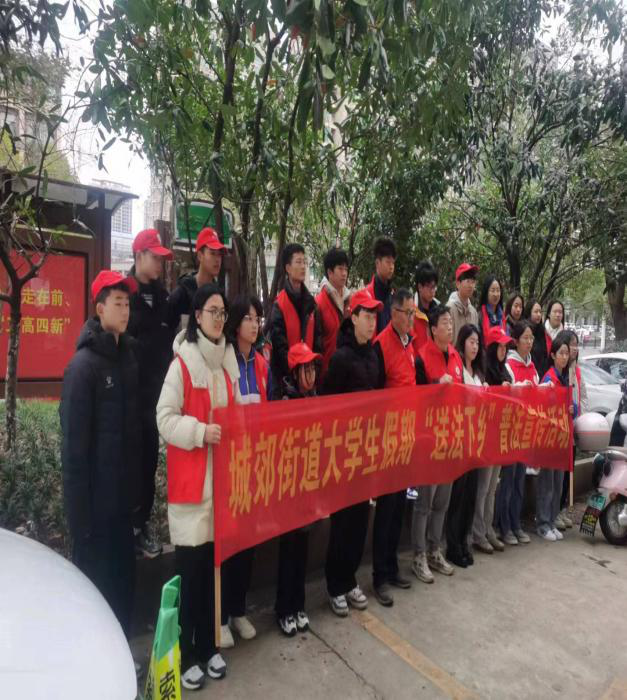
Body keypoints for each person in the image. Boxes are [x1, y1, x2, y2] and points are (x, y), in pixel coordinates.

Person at [156, 283, 238, 691]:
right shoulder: (183, 364)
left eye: (223, 312)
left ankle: (208, 646)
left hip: (221, 487)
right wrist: (200, 432)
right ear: (197, 316)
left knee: (211, 572)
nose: (219, 318)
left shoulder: (227, 363)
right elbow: (164, 418)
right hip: (192, 488)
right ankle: (186, 653)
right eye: (212, 311)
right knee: (190, 575)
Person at [60, 271, 140, 639]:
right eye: (118, 303)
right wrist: (80, 522)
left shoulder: (128, 359)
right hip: (95, 513)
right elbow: (73, 452)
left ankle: (124, 655)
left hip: (122, 507)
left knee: (124, 587)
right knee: (95, 597)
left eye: (128, 303)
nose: (125, 310)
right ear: (100, 308)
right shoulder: (82, 368)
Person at [322, 288, 383, 617]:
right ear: (354, 317)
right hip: (344, 451)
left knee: (361, 519)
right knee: (342, 520)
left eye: (375, 316)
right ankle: (334, 584)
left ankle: (349, 579)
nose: (372, 322)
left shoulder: (373, 355)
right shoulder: (340, 358)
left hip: (367, 448)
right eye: (367, 316)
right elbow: (329, 405)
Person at [219, 295, 271, 649]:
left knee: (248, 541)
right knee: (229, 540)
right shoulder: (225, 362)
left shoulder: (262, 363)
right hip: (229, 463)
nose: (255, 324)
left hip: (255, 462)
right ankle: (221, 616)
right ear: (235, 323)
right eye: (249, 318)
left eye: (258, 318)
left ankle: (238, 609)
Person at [127, 228, 173, 558]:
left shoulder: (163, 297)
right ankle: (127, 530)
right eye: (155, 257)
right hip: (128, 398)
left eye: (161, 258)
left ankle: (140, 526)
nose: (159, 263)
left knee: (147, 465)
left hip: (155, 399)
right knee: (129, 467)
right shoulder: (122, 294)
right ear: (139, 255)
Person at [371, 288, 416, 606]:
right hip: (388, 440)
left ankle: (392, 567)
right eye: (408, 313)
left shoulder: (409, 343)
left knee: (400, 506)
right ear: (394, 313)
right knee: (385, 510)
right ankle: (378, 576)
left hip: (407, 437)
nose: (412, 318)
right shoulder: (381, 345)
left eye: (413, 313)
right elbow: (376, 397)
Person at [411, 305, 461, 584]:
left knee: (443, 500)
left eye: (450, 322)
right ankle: (418, 554)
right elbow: (416, 398)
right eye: (444, 322)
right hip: (429, 440)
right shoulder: (421, 357)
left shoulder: (455, 355)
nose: (450, 327)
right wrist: (436, 385)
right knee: (424, 502)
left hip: (450, 438)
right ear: (433, 329)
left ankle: (434, 549)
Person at [274, 342, 321, 637]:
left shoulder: (316, 398)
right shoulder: (284, 400)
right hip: (289, 485)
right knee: (288, 548)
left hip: (309, 482)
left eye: (313, 367)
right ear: (294, 372)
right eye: (305, 368)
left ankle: (299, 605)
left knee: (303, 547)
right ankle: (284, 609)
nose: (311, 373)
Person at [496, 320, 538, 546]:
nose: (529, 342)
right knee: (508, 480)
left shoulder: (533, 366)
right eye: (525, 338)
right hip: (510, 430)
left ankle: (516, 524)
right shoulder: (510, 365)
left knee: (520, 480)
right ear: (516, 340)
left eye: (531, 338)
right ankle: (504, 526)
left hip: (525, 431)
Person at [446, 324, 484, 568]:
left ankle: (464, 541)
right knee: (458, 497)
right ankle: (453, 545)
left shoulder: (478, 371)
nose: (475, 346)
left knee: (472, 494)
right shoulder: (458, 367)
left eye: (477, 342)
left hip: (476, 439)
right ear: (462, 342)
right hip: (461, 437)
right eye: (471, 341)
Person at [472, 325, 512, 554]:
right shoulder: (485, 371)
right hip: (487, 435)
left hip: (500, 434)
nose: (504, 350)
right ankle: (478, 532)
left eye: (506, 347)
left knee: (492, 487)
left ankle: (488, 528)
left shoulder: (504, 369)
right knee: (483, 487)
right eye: (501, 346)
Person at [266, 243, 322, 399]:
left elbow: (318, 342)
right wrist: (296, 373)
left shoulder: (312, 304)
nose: (303, 266)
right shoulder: (279, 305)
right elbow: (279, 347)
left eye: (304, 262)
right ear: (288, 268)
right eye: (298, 262)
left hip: (309, 381)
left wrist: (312, 371)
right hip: (286, 384)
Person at [536, 331, 574, 541]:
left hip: (561, 437)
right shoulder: (549, 378)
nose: (564, 357)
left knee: (558, 483)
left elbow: (571, 406)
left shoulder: (565, 378)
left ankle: (551, 521)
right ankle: (543, 524)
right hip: (549, 438)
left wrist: (571, 409)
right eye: (561, 353)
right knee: (547, 483)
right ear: (553, 355)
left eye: (567, 353)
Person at [166, 227, 227, 335]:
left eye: (219, 254)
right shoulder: (182, 293)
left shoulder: (219, 295)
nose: (217, 259)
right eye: (212, 253)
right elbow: (167, 330)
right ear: (200, 256)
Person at [557, 330, 589, 528]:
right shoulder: (560, 371)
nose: (575, 348)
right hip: (561, 429)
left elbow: (583, 396)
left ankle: (562, 509)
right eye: (571, 344)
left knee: (569, 472)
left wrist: (580, 417)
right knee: (559, 474)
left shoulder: (576, 370)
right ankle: (554, 512)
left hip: (574, 427)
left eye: (577, 345)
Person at [316, 248, 351, 377]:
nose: (344, 273)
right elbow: (316, 345)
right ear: (330, 272)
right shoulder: (319, 303)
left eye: (346, 269)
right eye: (340, 269)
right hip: (327, 374)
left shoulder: (350, 300)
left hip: (348, 373)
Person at [365, 237, 396, 333]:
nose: (391, 267)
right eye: (388, 262)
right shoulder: (367, 294)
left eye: (393, 263)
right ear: (377, 263)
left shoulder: (394, 295)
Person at [447, 262, 479, 344]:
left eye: (473, 282)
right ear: (458, 284)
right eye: (467, 281)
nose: (471, 285)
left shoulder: (474, 313)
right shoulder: (449, 309)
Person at [412, 260, 439, 355]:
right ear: (420, 287)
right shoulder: (410, 312)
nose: (432, 291)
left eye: (434, 287)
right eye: (429, 287)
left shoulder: (439, 310)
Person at [524, 298, 549, 379]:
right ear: (529, 313)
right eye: (536, 312)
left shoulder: (542, 331)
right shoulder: (523, 330)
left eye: (540, 312)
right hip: (529, 375)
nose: (538, 314)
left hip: (542, 376)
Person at [479, 276, 506, 343]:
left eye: (498, 290)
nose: (495, 294)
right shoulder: (480, 315)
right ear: (486, 292)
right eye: (492, 290)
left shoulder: (502, 316)